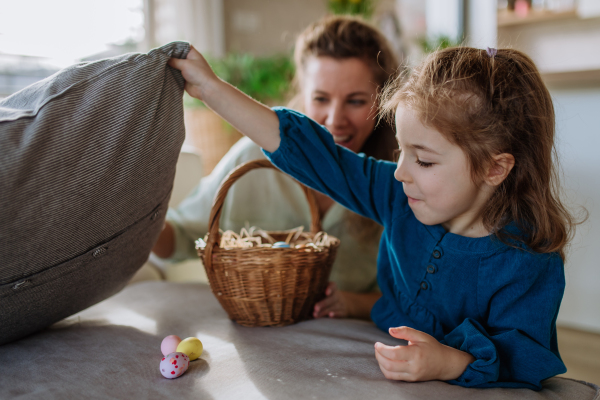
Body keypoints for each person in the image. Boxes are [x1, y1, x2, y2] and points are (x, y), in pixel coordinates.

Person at [168, 44, 582, 389]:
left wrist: (450, 362)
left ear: (495, 168)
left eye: (423, 160)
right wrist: (210, 88)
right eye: (401, 151)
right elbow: (314, 155)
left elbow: (526, 359)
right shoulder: (398, 194)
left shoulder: (530, 260)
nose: (401, 171)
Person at [152, 15, 400, 318]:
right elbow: (176, 238)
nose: (335, 119)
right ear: (302, 95)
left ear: (383, 101)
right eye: (321, 98)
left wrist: (353, 303)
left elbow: (417, 300)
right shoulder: (251, 158)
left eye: (356, 101)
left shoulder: (398, 180)